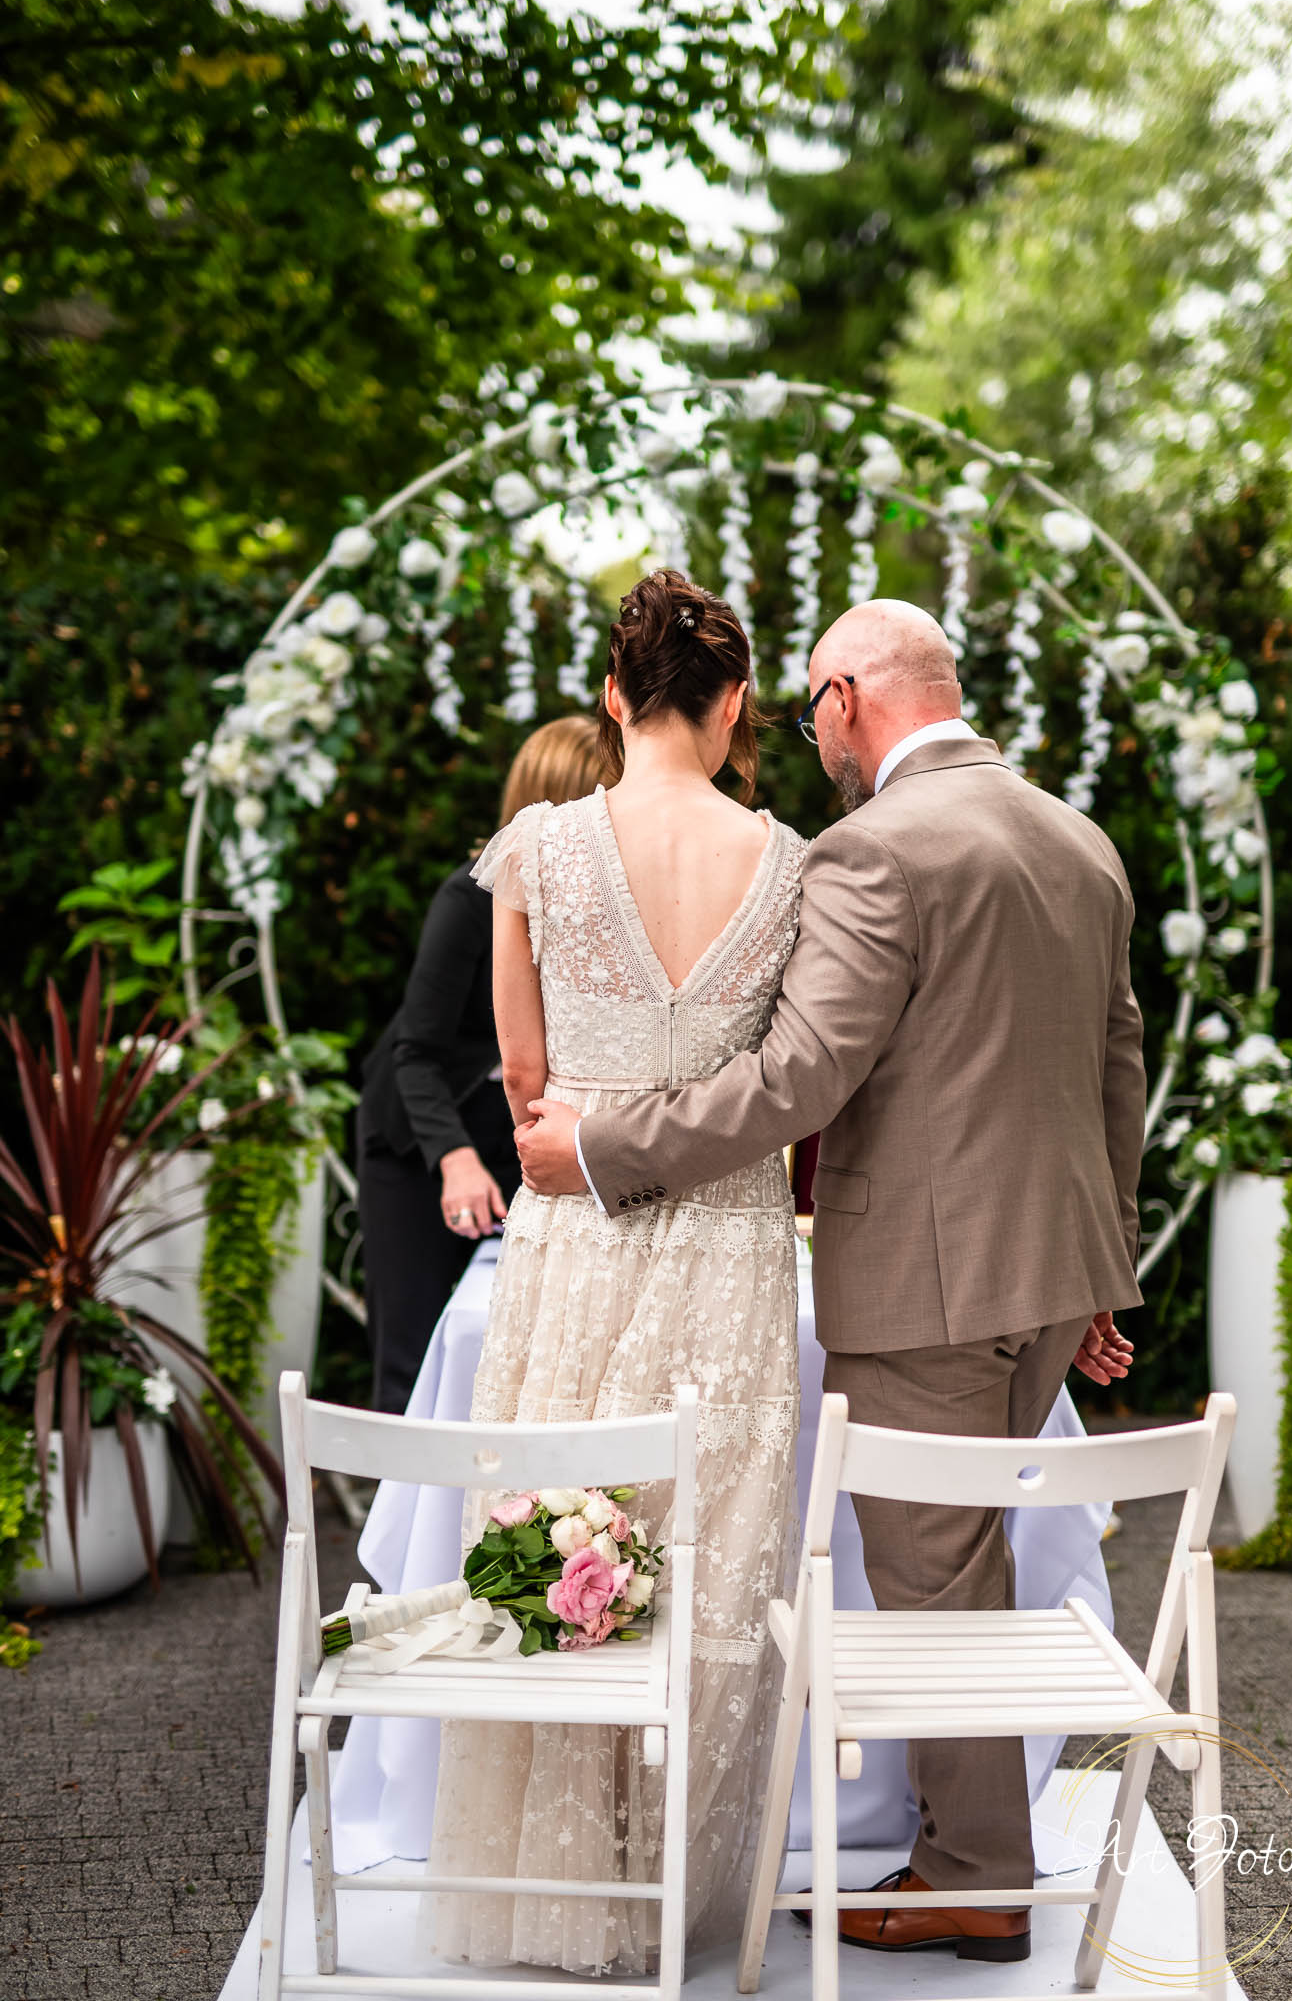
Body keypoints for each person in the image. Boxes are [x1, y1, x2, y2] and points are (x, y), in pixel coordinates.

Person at [518, 597, 1145, 1968]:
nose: (812, 743)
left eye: (811, 715)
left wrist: (603, 1145)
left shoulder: (875, 849)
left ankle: (976, 1879)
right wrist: (1105, 1264)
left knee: (932, 1585)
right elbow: (1114, 1064)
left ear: (847, 698)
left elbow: (796, 1079)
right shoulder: (1076, 838)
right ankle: (963, 1853)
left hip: (928, 1287)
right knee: (963, 1567)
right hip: (1048, 1280)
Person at [426, 570, 808, 1975]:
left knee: (560, 1534)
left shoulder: (535, 845)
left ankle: (560, 1894)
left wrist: (581, 1122)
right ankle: (671, 1896)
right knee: (706, 1564)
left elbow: (522, 1075)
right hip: (731, 1243)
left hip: (575, 1227)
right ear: (735, 701)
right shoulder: (792, 861)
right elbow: (790, 1083)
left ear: (611, 692)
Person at [355, 715, 606, 1415]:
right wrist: (454, 1159)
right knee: (411, 1354)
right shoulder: (469, 899)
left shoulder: (604, 909)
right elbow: (415, 1052)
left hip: (510, 1137)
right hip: (418, 1142)